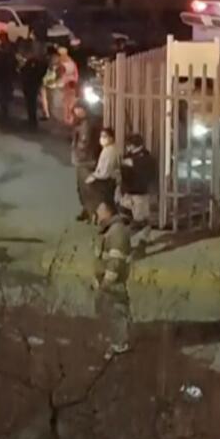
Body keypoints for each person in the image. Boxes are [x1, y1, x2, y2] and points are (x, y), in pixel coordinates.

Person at [93, 200, 133, 357]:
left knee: (117, 310)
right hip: (107, 282)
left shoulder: (117, 232)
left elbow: (116, 262)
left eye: (99, 211)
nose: (97, 214)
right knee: (109, 310)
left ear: (107, 211)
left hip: (112, 283)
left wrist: (106, 283)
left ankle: (120, 344)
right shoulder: (109, 230)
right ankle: (114, 340)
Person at [119, 134, 156, 250]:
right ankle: (139, 240)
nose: (127, 148)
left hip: (139, 193)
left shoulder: (146, 158)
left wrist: (131, 163)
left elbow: (147, 175)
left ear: (132, 145)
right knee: (127, 218)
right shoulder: (130, 156)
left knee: (141, 220)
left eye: (128, 145)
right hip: (129, 192)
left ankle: (141, 243)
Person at [71, 103, 100, 221]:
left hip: (86, 160)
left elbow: (85, 142)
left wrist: (78, 152)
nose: (77, 112)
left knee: (87, 188)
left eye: (79, 109)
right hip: (82, 160)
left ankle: (91, 212)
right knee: (82, 188)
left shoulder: (88, 124)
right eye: (76, 109)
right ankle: (87, 210)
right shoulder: (81, 122)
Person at [86, 127, 121, 210]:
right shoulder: (107, 149)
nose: (102, 139)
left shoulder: (111, 151)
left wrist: (93, 176)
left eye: (105, 136)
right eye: (101, 136)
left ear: (111, 138)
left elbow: (105, 172)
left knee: (106, 202)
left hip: (107, 181)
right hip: (107, 179)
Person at [19, 46, 46, 129]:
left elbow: (26, 72)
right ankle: (31, 119)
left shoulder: (35, 63)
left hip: (32, 85)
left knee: (31, 103)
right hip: (30, 85)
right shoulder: (34, 62)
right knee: (30, 103)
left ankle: (32, 120)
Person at [56, 45, 80, 124]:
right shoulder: (71, 61)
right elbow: (76, 73)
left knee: (67, 101)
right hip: (72, 82)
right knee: (70, 101)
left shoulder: (60, 61)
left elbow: (60, 72)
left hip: (66, 82)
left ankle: (68, 117)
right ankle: (69, 116)